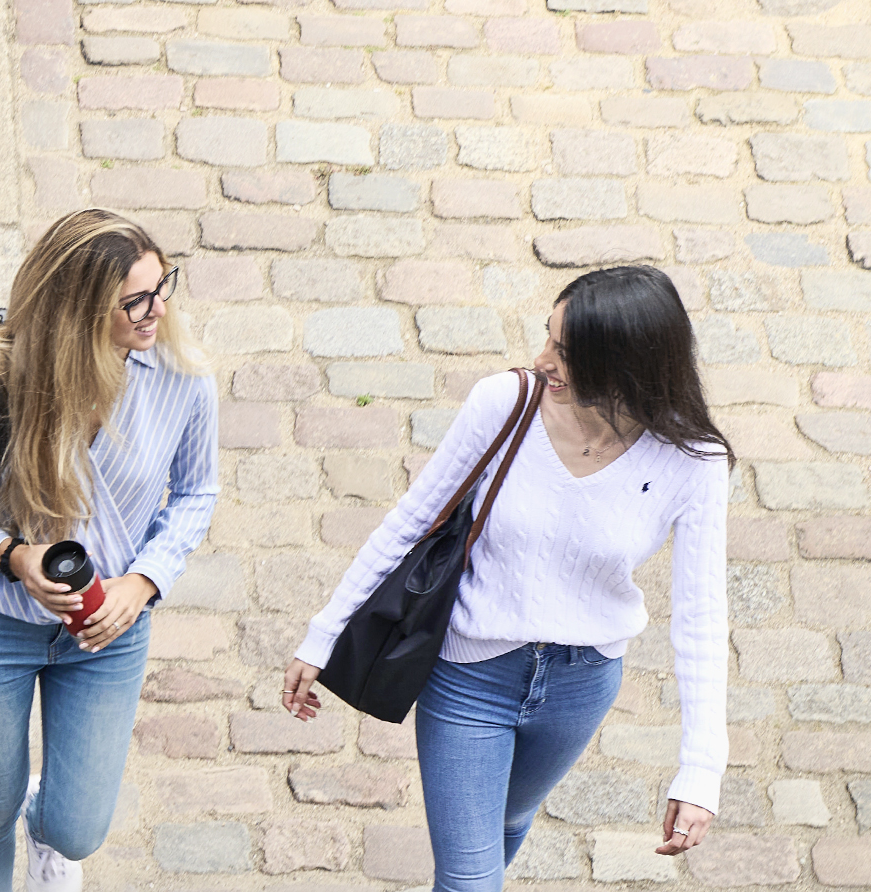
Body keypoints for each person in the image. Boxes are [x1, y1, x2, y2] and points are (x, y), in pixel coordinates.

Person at [277, 265, 733, 892]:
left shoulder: (694, 463)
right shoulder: (505, 403)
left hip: (581, 685)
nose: (543, 360)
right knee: (470, 880)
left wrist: (701, 769)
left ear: (625, 366)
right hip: (469, 676)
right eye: (548, 337)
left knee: (510, 819)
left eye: (566, 353)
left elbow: (703, 618)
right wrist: (323, 634)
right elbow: (411, 522)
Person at [0, 209, 216, 892]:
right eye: (135, 299)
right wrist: (12, 556)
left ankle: (49, 830)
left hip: (108, 630)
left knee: (78, 828)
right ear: (78, 308)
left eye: (163, 287)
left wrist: (142, 583)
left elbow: (198, 493)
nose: (156, 309)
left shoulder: (182, 377)